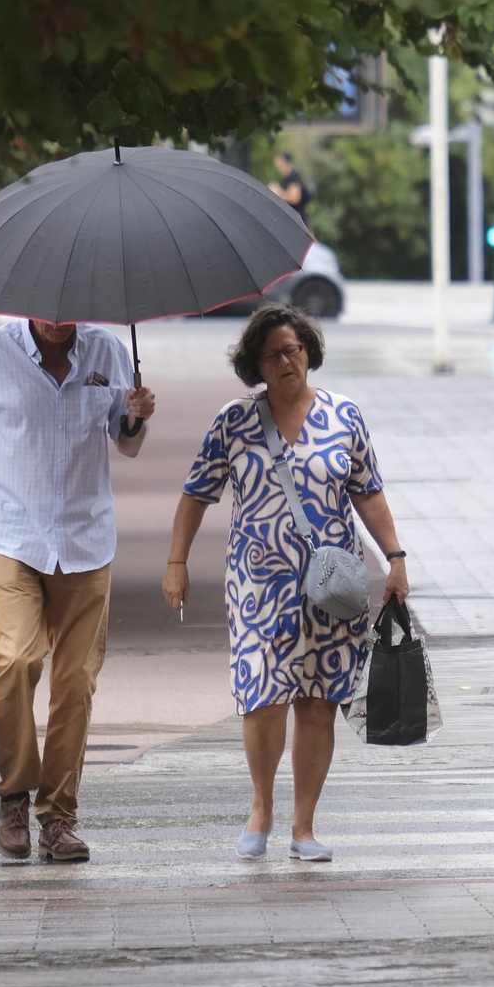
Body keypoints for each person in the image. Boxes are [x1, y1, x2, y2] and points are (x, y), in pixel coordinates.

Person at [162, 304, 409, 863]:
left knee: (320, 701)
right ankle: (260, 807)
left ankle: (304, 826)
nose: (286, 361)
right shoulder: (235, 421)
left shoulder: (344, 415)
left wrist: (395, 558)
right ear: (255, 363)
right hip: (258, 583)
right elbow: (196, 494)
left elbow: (367, 491)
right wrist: (176, 561)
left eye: (294, 349)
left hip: (333, 585)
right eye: (272, 354)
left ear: (309, 352)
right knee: (263, 697)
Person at [0, 317, 156, 863]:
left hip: (86, 537)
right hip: (14, 537)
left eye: (67, 307)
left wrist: (137, 418)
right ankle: (14, 797)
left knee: (76, 681)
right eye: (45, 306)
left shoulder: (110, 352)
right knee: (18, 660)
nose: (55, 318)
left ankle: (59, 817)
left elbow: (128, 445)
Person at [269, 151, 310, 226]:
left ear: (285, 161)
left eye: (279, 161)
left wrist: (277, 192)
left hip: (297, 221)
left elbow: (294, 198)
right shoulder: (287, 178)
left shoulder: (294, 177)